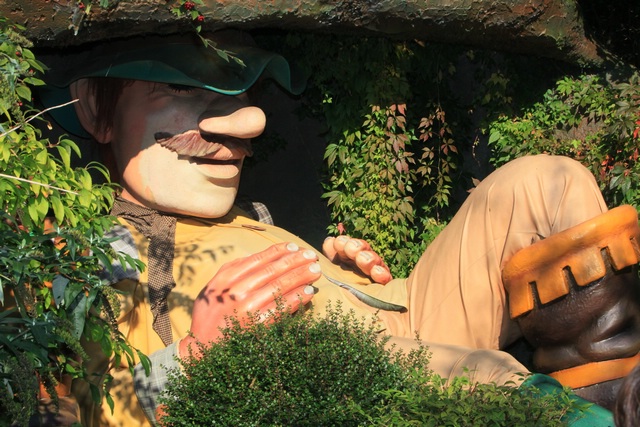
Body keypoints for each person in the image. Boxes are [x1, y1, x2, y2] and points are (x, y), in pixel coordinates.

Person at [39, 31, 639, 426]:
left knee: (545, 183)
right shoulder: (82, 248)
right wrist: (196, 355)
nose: (244, 122)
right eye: (180, 88)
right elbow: (63, 410)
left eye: (243, 92)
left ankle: (614, 390)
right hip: (334, 367)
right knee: (476, 375)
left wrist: (341, 280)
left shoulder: (249, 218)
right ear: (95, 108)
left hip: (404, 315)